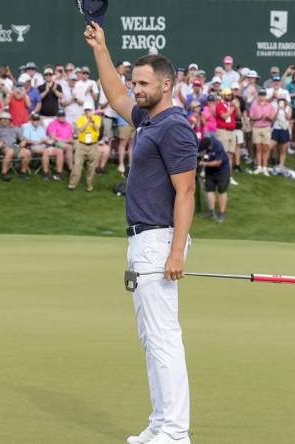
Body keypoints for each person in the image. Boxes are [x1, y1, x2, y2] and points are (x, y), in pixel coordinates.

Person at [85, 21, 197, 444]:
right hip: (142, 239)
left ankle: (176, 432)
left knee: (164, 337)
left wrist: (177, 253)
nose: (136, 89)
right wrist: (101, 47)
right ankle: (160, 422)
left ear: (166, 84)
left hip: (159, 239)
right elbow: (114, 94)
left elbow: (186, 192)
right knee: (151, 337)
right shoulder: (149, 120)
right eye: (136, 82)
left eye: (144, 83)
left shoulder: (174, 127)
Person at [0, 111, 30, 181]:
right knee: (10, 151)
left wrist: (24, 141)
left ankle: (23, 172)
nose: (5, 120)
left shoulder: (14, 129)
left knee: (27, 152)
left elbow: (23, 138)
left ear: (10, 120)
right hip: (2, 147)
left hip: (14, 146)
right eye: (3, 118)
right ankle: (4, 173)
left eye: (7, 119)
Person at [68, 101, 102, 191]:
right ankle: (72, 184)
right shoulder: (80, 119)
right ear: (84, 111)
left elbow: (97, 128)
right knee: (77, 165)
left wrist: (92, 120)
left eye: (89, 110)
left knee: (92, 166)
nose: (88, 112)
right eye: (86, 110)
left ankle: (89, 185)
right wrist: (87, 122)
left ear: (92, 110)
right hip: (81, 144)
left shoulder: (97, 118)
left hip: (93, 145)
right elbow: (80, 129)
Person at [23, 112, 63, 181]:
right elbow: (26, 140)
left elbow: (45, 138)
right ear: (31, 120)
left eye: (37, 119)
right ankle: (46, 172)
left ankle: (59, 173)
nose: (36, 121)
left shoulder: (41, 128)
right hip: (33, 146)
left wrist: (47, 141)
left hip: (44, 145)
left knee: (59, 151)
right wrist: (38, 142)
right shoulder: (27, 127)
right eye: (34, 119)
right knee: (45, 151)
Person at [198, 137, 230, 222]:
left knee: (222, 191)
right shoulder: (202, 144)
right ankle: (211, 212)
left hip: (222, 171)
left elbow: (218, 163)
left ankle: (222, 213)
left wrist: (202, 163)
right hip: (209, 171)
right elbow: (201, 155)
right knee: (209, 190)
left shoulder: (218, 145)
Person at [248, 89, 275, 175]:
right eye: (260, 95)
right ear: (258, 96)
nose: (262, 96)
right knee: (258, 148)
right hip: (256, 128)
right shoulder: (254, 105)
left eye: (263, 95)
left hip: (266, 127)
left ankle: (264, 167)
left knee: (266, 148)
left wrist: (267, 117)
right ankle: (259, 166)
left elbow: (273, 118)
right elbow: (251, 117)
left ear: (265, 96)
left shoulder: (270, 105)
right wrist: (259, 118)